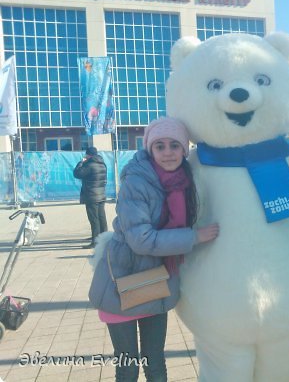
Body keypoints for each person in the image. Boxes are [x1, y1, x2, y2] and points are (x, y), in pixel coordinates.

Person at [88, 117, 219, 382]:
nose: (168, 152)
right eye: (160, 146)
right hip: (122, 285)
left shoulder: (184, 181)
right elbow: (141, 240)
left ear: (185, 149)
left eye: (174, 145)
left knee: (156, 363)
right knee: (128, 367)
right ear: (150, 149)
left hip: (157, 283)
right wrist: (193, 237)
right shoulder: (137, 182)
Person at [73, 146, 108, 248]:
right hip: (101, 194)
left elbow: (77, 173)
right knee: (101, 217)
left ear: (89, 155)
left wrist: (81, 162)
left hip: (91, 196)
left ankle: (95, 241)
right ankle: (104, 237)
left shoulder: (89, 165)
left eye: (86, 155)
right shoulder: (102, 164)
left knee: (94, 219)